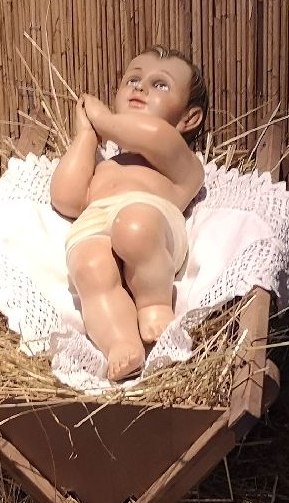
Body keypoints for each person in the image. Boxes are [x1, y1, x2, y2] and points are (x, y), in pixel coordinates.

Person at [50, 48, 208, 381]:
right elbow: (67, 198)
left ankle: (153, 303)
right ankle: (120, 342)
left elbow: (154, 135)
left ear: (189, 119)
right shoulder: (105, 164)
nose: (141, 87)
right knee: (89, 266)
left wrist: (106, 122)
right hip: (95, 221)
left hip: (150, 217)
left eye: (160, 85)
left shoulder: (180, 161)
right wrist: (86, 136)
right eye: (133, 80)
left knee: (134, 229)